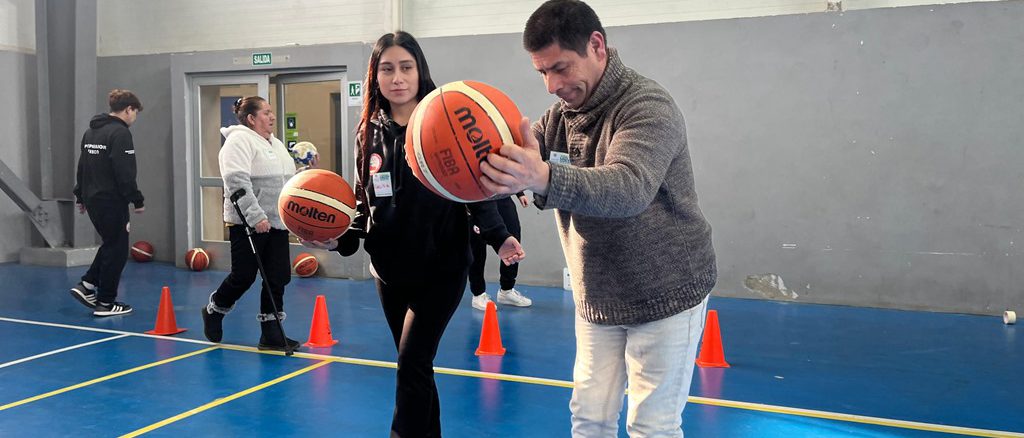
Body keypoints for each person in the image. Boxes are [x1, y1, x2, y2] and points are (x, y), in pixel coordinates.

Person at [479, 1, 718, 436]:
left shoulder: (647, 106)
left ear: (596, 46)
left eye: (561, 68)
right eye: (542, 72)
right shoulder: (558, 119)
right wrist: (476, 172)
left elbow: (628, 188)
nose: (552, 85)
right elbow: (521, 164)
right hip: (599, 296)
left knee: (652, 427)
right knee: (589, 418)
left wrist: (542, 176)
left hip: (666, 293)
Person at [301, 31, 525, 437]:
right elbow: (364, 202)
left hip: (442, 268)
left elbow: (474, 188)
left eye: (406, 67)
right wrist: (337, 239)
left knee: (412, 363)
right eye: (387, 69)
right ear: (375, 76)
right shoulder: (367, 131)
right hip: (389, 271)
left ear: (420, 70)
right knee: (417, 368)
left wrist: (499, 236)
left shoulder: (442, 119)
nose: (398, 78)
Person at [200, 96, 315, 352]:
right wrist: (255, 217)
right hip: (248, 223)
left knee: (278, 277)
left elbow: (283, 181)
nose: (272, 117)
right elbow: (237, 183)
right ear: (251, 118)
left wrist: (304, 172)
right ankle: (214, 310)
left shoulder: (275, 143)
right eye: (266, 112)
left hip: (277, 222)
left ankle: (271, 333)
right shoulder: (238, 142)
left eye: (271, 112)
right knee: (243, 276)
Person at [69, 89, 145, 317]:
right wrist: (136, 199)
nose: (135, 117)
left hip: (93, 199)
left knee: (112, 243)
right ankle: (106, 302)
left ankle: (87, 284)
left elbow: (82, 166)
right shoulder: (120, 134)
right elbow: (125, 172)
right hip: (111, 200)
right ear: (128, 109)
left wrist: (80, 195)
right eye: (135, 112)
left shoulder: (91, 132)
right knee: (118, 250)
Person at [469, 192, 533, 310]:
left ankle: (506, 290)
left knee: (512, 238)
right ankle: (478, 293)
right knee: (477, 244)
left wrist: (520, 193)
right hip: (477, 197)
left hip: (501, 195)